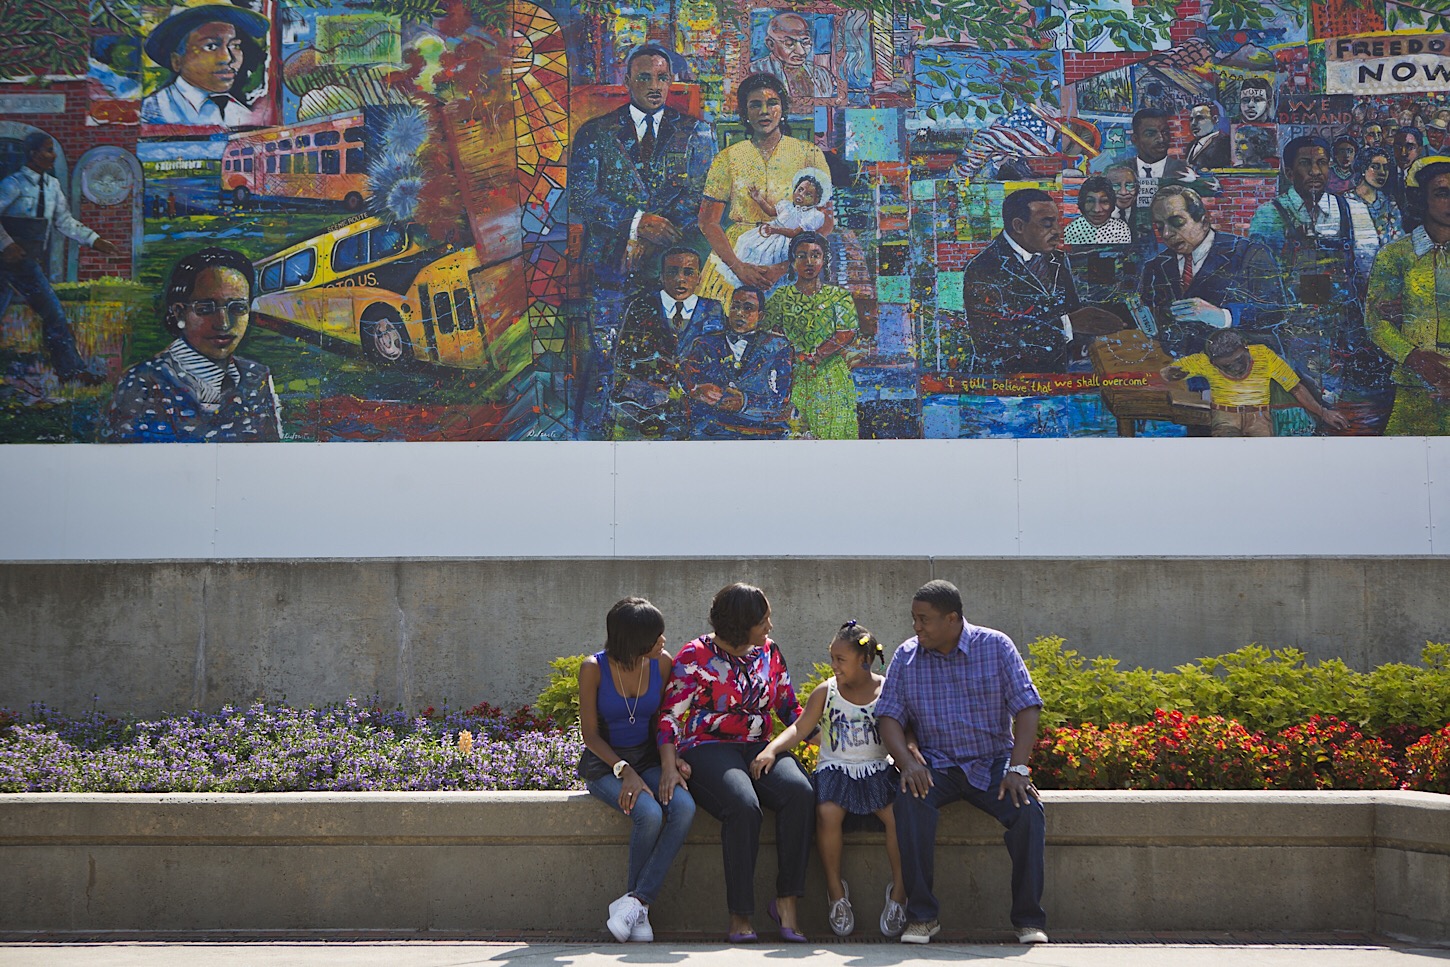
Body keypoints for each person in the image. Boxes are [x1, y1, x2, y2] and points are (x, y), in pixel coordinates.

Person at [876, 580, 1048, 946]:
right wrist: (907, 762)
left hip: (992, 765)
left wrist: (1018, 768)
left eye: (924, 620)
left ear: (953, 619)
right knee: (909, 801)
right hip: (936, 767)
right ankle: (922, 917)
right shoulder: (906, 657)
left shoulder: (996, 647)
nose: (916, 627)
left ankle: (1028, 919)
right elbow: (888, 716)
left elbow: (1027, 707)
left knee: (1028, 811)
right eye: (914, 619)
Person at [566, 43, 716, 436]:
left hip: (670, 270)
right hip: (610, 269)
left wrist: (651, 235)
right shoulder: (595, 133)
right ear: (628, 80)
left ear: (671, 81)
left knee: (671, 362)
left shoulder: (697, 132)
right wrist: (635, 223)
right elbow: (582, 196)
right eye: (645, 77)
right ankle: (593, 443)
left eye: (662, 78)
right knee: (606, 360)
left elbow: (700, 197)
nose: (654, 86)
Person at [658, 583, 814, 944]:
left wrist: (837, 743)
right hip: (709, 748)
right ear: (740, 624)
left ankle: (786, 903)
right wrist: (669, 765)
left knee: (800, 793)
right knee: (744, 806)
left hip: (760, 746)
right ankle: (740, 916)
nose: (770, 627)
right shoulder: (694, 655)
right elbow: (670, 716)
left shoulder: (769, 652)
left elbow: (790, 709)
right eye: (763, 621)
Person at [751, 621, 909, 939]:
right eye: (832, 658)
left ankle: (899, 894)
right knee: (827, 813)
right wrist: (771, 749)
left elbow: (905, 729)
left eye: (841, 659)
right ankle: (837, 893)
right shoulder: (828, 691)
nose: (833, 665)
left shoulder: (887, 688)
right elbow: (800, 727)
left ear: (864, 659)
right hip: (836, 769)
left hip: (876, 768)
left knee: (898, 816)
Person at [1249, 135, 1390, 433]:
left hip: (1343, 334)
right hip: (1292, 337)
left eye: (1322, 163)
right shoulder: (1268, 216)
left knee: (1349, 415)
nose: (1315, 171)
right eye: (1305, 163)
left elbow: (1370, 271)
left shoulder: (1353, 210)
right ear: (1288, 172)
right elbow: (1261, 282)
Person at [576, 597, 696, 944]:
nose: (663, 642)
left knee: (684, 807)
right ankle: (638, 906)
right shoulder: (593, 668)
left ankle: (635, 902)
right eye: (657, 636)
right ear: (633, 639)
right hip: (605, 764)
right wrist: (623, 768)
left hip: (648, 759)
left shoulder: (661, 664)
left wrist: (673, 762)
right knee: (649, 813)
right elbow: (590, 735)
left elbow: (665, 721)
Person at [101, 247, 282, 442]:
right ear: (179, 313)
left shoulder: (256, 376)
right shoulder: (142, 383)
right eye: (205, 308)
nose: (223, 323)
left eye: (237, 308)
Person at [696, 72, 832, 309]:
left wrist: (785, 266)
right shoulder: (727, 158)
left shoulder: (809, 154)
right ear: (745, 113)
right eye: (755, 105)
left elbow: (826, 221)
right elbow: (708, 221)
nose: (764, 112)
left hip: (794, 254)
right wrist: (739, 267)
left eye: (772, 103)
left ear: (783, 108)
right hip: (737, 254)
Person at [958, 188, 1122, 373]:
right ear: (1019, 226)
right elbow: (993, 343)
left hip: (1058, 375)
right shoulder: (983, 268)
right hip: (1006, 383)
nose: (1058, 231)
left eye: (1057, 223)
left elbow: (1072, 310)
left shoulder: (1057, 258)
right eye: (1047, 224)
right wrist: (1067, 325)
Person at [0, 133, 119, 384]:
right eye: (47, 150)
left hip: (25, 264)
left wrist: (94, 240)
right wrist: (6, 244)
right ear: (33, 154)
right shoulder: (13, 184)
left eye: (53, 150)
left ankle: (71, 371)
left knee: (53, 314)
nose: (53, 155)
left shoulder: (53, 187)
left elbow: (64, 222)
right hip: (4, 260)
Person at [1138, 185, 1287, 357]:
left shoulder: (1249, 253)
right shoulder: (1155, 266)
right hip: (1178, 370)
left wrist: (1223, 316)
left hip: (1243, 366)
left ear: (1203, 221)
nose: (1167, 234)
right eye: (1159, 226)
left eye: (1177, 222)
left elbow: (1276, 312)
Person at [1365, 157, 1450, 434]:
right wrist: (1413, 357)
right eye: (1441, 193)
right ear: (1422, 199)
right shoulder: (1396, 256)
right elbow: (1376, 321)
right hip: (1415, 386)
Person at [610, 247, 725, 439]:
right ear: (662, 276)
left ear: (699, 277)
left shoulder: (713, 309)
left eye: (688, 272)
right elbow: (624, 359)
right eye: (672, 272)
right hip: (648, 408)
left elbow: (718, 359)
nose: (680, 279)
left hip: (698, 411)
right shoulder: (641, 307)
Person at [1162, 329, 1347, 436]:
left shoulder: (1263, 355)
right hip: (1225, 418)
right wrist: (1174, 373)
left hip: (1259, 418)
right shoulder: (1203, 361)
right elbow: (1166, 373)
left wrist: (1323, 412)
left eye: (1239, 360)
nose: (1235, 368)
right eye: (1226, 366)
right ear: (1212, 362)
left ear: (1245, 346)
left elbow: (1295, 387)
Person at [763, 232, 859, 439]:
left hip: (829, 378)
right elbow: (766, 333)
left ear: (824, 260)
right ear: (792, 261)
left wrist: (817, 355)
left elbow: (846, 332)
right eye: (801, 256)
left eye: (815, 255)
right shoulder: (781, 297)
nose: (809, 262)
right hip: (789, 376)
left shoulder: (838, 296)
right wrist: (788, 354)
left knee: (831, 434)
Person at [681, 286, 794, 439]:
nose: (740, 313)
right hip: (712, 430)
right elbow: (685, 382)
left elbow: (781, 400)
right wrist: (696, 390)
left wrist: (745, 402)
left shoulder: (778, 346)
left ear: (760, 316)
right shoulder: (705, 344)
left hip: (763, 432)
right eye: (735, 307)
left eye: (748, 308)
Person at [140, 4, 269, 127]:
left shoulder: (242, 113)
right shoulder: (152, 113)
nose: (228, 58)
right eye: (210, 46)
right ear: (177, 61)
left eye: (235, 46)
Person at [724, 168, 830, 285]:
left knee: (768, 257)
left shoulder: (812, 215)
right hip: (771, 232)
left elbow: (795, 232)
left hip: (785, 241)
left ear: (816, 200)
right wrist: (758, 199)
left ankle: (762, 282)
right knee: (747, 243)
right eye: (800, 190)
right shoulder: (786, 205)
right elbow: (770, 211)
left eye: (808, 194)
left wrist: (775, 230)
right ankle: (742, 275)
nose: (801, 195)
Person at [748, 12, 838, 101]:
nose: (801, 52)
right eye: (789, 43)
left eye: (805, 43)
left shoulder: (822, 74)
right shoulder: (753, 71)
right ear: (770, 44)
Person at [1352, 148, 1404, 249]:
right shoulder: (1347, 201)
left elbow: (1399, 240)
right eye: (1375, 167)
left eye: (1386, 168)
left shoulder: (1389, 203)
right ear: (1363, 169)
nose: (1382, 172)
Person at [1063, 176, 1131, 245]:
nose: (1097, 209)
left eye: (1104, 202)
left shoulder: (1121, 229)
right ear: (1082, 203)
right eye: (1090, 201)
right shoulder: (1071, 230)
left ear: (1112, 203)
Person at [1185, 104, 1230, 170]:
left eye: (1199, 118)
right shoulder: (1191, 145)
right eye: (1191, 119)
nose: (1193, 123)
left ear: (1215, 119)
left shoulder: (1224, 143)